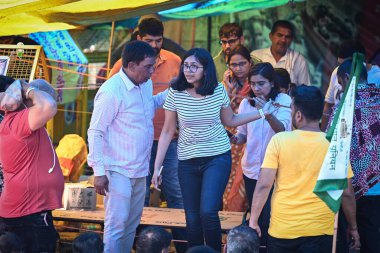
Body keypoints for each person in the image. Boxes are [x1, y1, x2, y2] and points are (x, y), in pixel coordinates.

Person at [152, 48, 278, 251]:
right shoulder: (175, 91)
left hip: (217, 158)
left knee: (208, 212)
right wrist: (158, 167)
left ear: (206, 69)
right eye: (186, 66)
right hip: (187, 161)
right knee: (192, 217)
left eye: (194, 66)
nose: (189, 70)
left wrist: (262, 113)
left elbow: (230, 120)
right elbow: (167, 131)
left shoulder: (218, 90)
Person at [249, 85, 360, 252]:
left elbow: (264, 185)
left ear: (298, 115)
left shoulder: (280, 141)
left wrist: (254, 220)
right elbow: (346, 192)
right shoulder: (334, 145)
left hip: (283, 230)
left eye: (292, 109)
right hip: (321, 231)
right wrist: (353, 227)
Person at [108, 18, 186, 252]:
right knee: (137, 199)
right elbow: (106, 115)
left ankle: (184, 247)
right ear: (138, 38)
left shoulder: (175, 61)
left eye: (158, 40)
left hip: (169, 140)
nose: (154, 45)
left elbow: (178, 97)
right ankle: (141, 247)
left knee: (176, 194)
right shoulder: (124, 66)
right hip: (134, 146)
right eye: (148, 40)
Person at [87, 41, 167, 253]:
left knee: (131, 225)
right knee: (116, 225)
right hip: (117, 169)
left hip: (140, 169)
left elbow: (151, 105)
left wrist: (175, 90)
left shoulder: (145, 83)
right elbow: (95, 132)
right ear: (131, 65)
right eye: (148, 66)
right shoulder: (111, 91)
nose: (152, 71)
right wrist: (99, 172)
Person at [231, 63, 291, 249]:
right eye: (253, 84)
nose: (256, 88)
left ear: (272, 83)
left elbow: (283, 131)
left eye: (261, 84)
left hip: (276, 171)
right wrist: (233, 138)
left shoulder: (284, 101)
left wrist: (267, 114)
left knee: (271, 218)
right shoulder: (245, 104)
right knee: (256, 217)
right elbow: (243, 135)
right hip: (251, 169)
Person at [0, 79, 64, 253]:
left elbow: (48, 97)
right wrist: (27, 90)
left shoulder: (18, 120)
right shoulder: (18, 121)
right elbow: (48, 105)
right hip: (29, 212)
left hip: (27, 209)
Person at [332, 59, 380, 253]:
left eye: (340, 83)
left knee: (346, 241)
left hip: (348, 189)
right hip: (377, 188)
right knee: (373, 240)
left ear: (345, 78)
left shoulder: (342, 109)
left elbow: (332, 150)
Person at [320, 40, 380, 131]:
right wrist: (323, 136)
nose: (341, 68)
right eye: (339, 64)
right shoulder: (337, 72)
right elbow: (328, 106)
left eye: (344, 64)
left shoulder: (378, 77)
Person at [221, 45, 252, 211]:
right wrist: (227, 89)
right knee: (227, 183)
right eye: (234, 65)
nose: (238, 68)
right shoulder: (226, 84)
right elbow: (220, 111)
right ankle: (229, 234)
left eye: (242, 64)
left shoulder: (256, 83)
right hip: (230, 142)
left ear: (250, 63)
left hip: (250, 139)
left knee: (243, 184)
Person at [250, 20, 310, 85]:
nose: (283, 40)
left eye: (287, 37)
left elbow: (305, 89)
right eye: (279, 35)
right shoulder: (256, 56)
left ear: (291, 39)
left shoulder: (299, 60)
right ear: (270, 36)